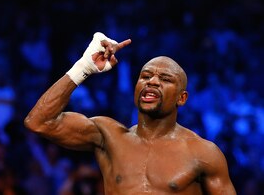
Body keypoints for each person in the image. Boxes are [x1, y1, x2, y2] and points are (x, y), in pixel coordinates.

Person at [24, 32, 236, 194]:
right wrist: (84, 67)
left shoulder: (203, 153)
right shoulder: (108, 137)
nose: (152, 81)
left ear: (182, 98)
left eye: (165, 79)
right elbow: (38, 122)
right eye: (145, 76)